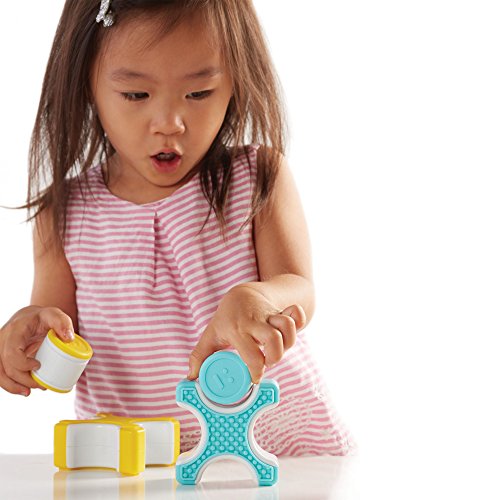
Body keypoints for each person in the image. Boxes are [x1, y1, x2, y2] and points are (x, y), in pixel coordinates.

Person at [0, 0, 354, 456]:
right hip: (137, 465)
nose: (170, 124)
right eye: (136, 95)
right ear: (86, 84)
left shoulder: (256, 176)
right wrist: (26, 339)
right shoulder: (64, 213)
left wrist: (258, 297)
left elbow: (299, 289)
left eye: (199, 93)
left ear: (236, 81)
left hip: (276, 452)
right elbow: (56, 334)